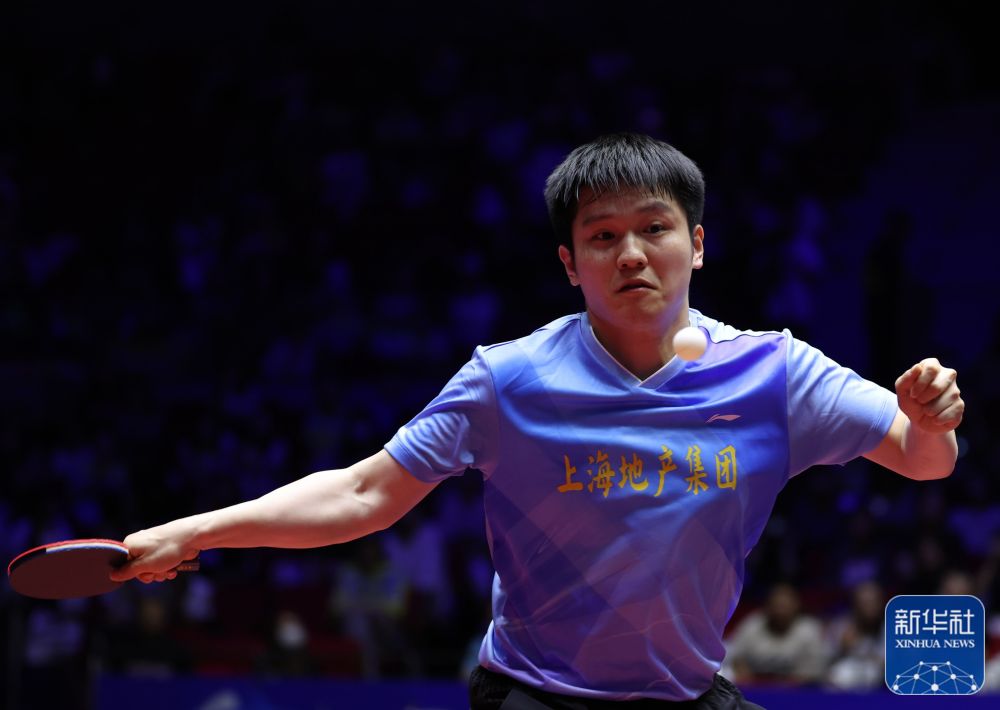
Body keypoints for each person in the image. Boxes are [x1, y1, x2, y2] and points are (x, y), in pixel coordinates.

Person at [110, 133, 965, 708]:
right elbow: (365, 493)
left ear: (698, 244)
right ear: (569, 263)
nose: (631, 254)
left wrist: (930, 419)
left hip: (685, 692)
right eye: (603, 237)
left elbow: (924, 460)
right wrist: (197, 530)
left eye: (655, 228)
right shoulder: (509, 380)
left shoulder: (776, 373)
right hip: (537, 695)